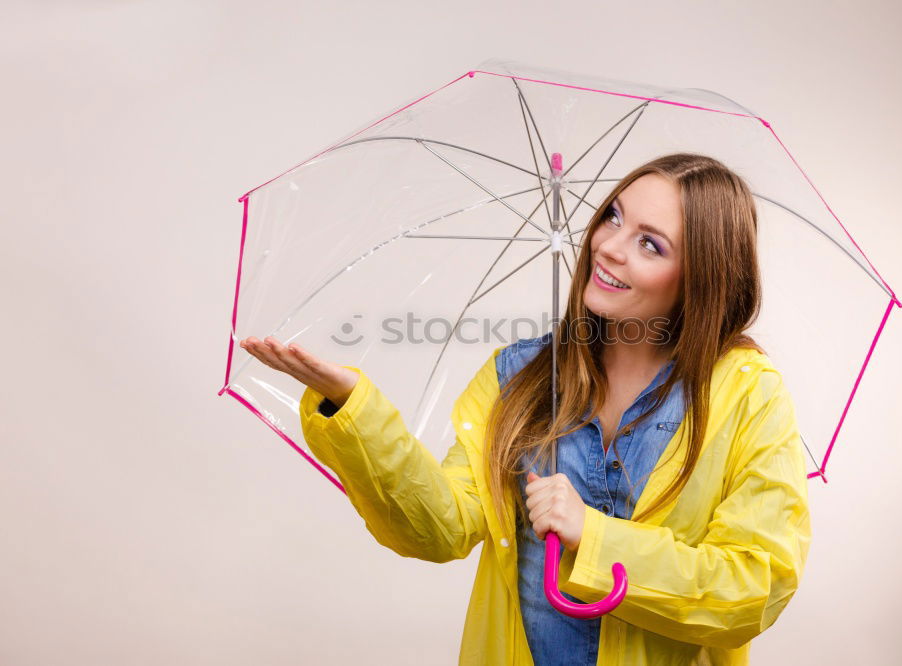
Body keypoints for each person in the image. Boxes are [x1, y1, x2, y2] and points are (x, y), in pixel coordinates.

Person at [240, 153, 811, 665]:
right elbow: (437, 529)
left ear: (699, 279)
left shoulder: (745, 394)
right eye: (614, 216)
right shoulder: (519, 375)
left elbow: (755, 587)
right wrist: (353, 407)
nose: (608, 245)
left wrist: (594, 534)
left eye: (650, 242)